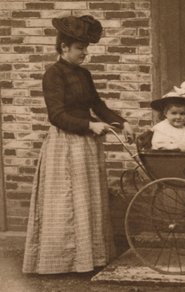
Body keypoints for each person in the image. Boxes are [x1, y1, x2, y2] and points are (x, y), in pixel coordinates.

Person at [22, 15, 135, 274]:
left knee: (87, 201)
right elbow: (56, 115)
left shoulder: (84, 74)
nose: (85, 53)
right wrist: (89, 125)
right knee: (66, 202)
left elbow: (97, 105)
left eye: (86, 48)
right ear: (64, 48)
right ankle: (62, 261)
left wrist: (122, 122)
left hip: (86, 143)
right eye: (80, 48)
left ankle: (89, 258)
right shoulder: (53, 74)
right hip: (65, 144)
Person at [150, 78, 185, 151]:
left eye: (182, 114)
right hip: (167, 159)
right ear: (166, 113)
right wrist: (176, 147)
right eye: (174, 113)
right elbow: (159, 145)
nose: (178, 117)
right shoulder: (162, 128)